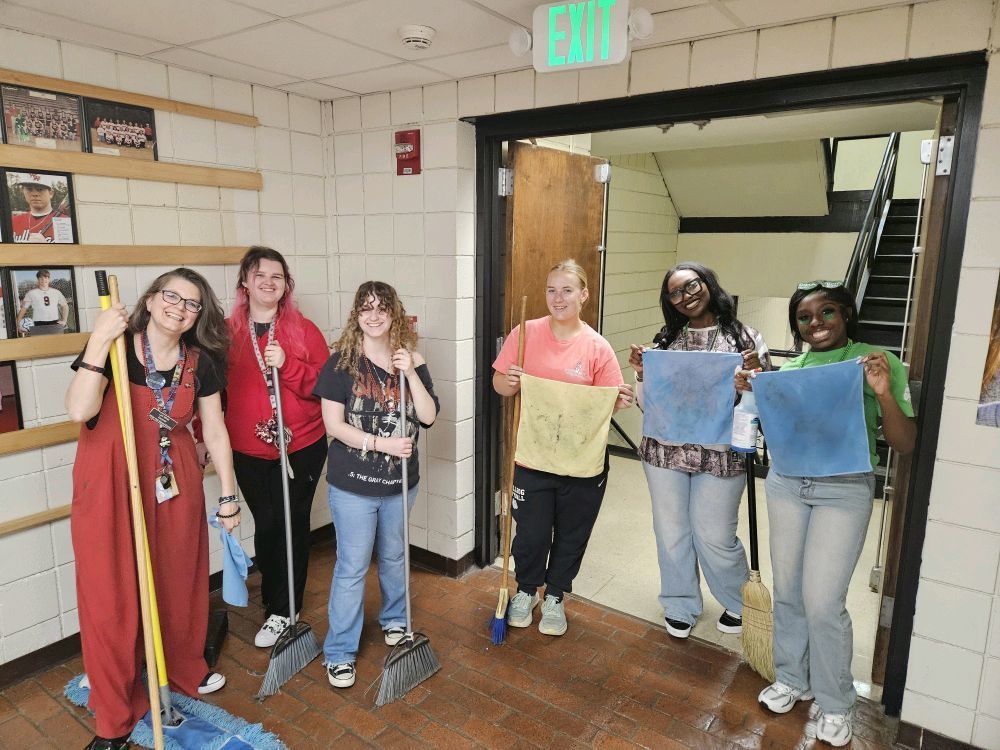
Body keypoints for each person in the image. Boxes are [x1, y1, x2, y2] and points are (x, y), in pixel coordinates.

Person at [65, 269, 239, 750]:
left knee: (177, 580)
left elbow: (215, 431)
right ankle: (115, 717)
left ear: (198, 316)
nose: (178, 308)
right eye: (171, 296)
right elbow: (79, 410)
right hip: (109, 481)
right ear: (151, 298)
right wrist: (99, 341)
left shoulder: (200, 363)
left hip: (171, 479)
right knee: (109, 596)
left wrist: (227, 493)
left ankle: (180, 672)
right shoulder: (116, 346)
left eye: (191, 303)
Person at [747, 281, 915, 747]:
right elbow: (766, 428)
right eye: (804, 317)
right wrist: (753, 389)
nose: (815, 324)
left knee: (823, 600)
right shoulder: (794, 368)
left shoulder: (875, 360)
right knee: (790, 592)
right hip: (786, 483)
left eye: (827, 313)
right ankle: (792, 678)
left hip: (844, 488)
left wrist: (881, 392)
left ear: (846, 315)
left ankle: (836, 701)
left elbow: (905, 443)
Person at [628, 262, 768, 640]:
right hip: (664, 453)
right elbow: (648, 405)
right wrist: (642, 373)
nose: (686, 296)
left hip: (722, 453)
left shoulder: (745, 339)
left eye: (692, 286)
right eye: (675, 292)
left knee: (714, 534)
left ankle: (740, 602)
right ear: (669, 301)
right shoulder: (664, 343)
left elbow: (767, 403)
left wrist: (754, 379)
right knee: (671, 530)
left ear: (708, 284)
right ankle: (679, 602)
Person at [493, 259, 632, 637]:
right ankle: (526, 590)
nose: (558, 298)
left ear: (583, 295)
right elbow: (500, 386)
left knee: (572, 533)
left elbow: (612, 400)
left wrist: (618, 399)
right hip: (533, 456)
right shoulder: (525, 334)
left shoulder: (597, 347)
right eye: (552, 290)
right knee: (532, 534)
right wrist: (511, 379)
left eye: (567, 290)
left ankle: (554, 595)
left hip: (583, 462)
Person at [313, 281, 439, 689]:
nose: (373, 314)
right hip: (352, 485)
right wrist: (380, 443)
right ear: (357, 315)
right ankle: (339, 651)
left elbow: (429, 416)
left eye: (381, 307)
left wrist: (410, 373)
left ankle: (395, 621)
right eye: (365, 308)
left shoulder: (412, 359)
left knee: (394, 556)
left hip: (401, 483)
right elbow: (333, 426)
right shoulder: (340, 365)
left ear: (394, 314)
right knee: (351, 566)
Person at [222, 247, 330, 648]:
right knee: (267, 524)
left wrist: (288, 364)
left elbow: (324, 387)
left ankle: (285, 609)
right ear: (245, 283)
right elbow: (211, 392)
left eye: (277, 277)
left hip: (301, 445)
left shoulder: (305, 329)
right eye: (260, 275)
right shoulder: (225, 332)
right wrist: (202, 434)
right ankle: (274, 596)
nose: (268, 282)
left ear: (286, 286)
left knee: (292, 522)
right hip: (248, 449)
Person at [9, 173, 71, 243]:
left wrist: (45, 246)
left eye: (40, 189)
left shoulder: (66, 222)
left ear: (51, 193)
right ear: (23, 191)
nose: (35, 194)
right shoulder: (12, 222)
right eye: (29, 189)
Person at [15, 269, 69, 336]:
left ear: (49, 279)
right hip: (38, 324)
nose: (43, 280)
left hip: (55, 323)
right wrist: (18, 324)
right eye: (41, 278)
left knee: (57, 344)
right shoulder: (31, 293)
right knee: (38, 345)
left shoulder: (56, 292)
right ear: (37, 280)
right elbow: (23, 309)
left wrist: (64, 320)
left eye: (46, 277)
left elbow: (65, 306)